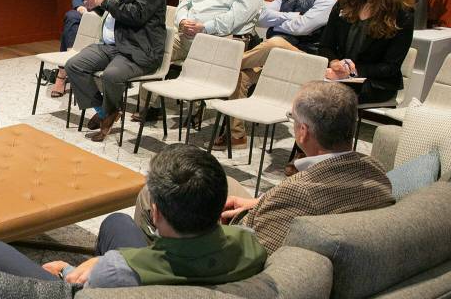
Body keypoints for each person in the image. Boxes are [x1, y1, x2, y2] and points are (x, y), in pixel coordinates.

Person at [135, 81, 395, 254]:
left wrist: (206, 221)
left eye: (292, 118)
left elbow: (251, 254)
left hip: (230, 242)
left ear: (303, 132)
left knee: (154, 192)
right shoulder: (375, 173)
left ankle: (153, 265)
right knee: (222, 183)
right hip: (264, 213)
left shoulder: (297, 194)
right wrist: (260, 201)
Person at [0, 144, 266, 288]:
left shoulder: (118, 271)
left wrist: (66, 270)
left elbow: (83, 291)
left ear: (156, 213)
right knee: (117, 222)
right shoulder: (251, 244)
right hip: (178, 270)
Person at [135, 0, 265, 122]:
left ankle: (197, 107)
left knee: (198, 58)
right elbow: (184, 2)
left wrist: (204, 27)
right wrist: (182, 21)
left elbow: (236, 18)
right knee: (154, 52)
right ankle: (150, 106)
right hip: (186, 33)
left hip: (220, 39)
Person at [222, 0, 337, 147]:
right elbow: (261, 15)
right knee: (241, 75)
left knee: (276, 44)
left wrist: (278, 21)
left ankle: (225, 63)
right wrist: (292, 16)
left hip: (304, 59)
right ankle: (236, 135)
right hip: (272, 59)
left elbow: (302, 28)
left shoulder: (327, 1)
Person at [63, 0, 167, 142]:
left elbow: (136, 15)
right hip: (112, 45)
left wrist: (106, 1)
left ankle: (108, 113)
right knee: (74, 65)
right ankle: (106, 112)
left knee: (111, 75)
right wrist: (96, 4)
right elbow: (113, 10)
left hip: (137, 50)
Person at [317, 0, 415, 105]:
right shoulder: (345, 3)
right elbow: (325, 46)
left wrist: (350, 73)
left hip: (374, 83)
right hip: (338, 76)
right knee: (302, 83)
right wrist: (334, 62)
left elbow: (389, 67)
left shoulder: (402, 15)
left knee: (327, 98)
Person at [49, 0, 122, 97]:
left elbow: (115, 3)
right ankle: (65, 67)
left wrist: (94, 7)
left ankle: (64, 70)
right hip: (85, 13)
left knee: (71, 18)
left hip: (105, 15)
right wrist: (81, 8)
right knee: (71, 16)